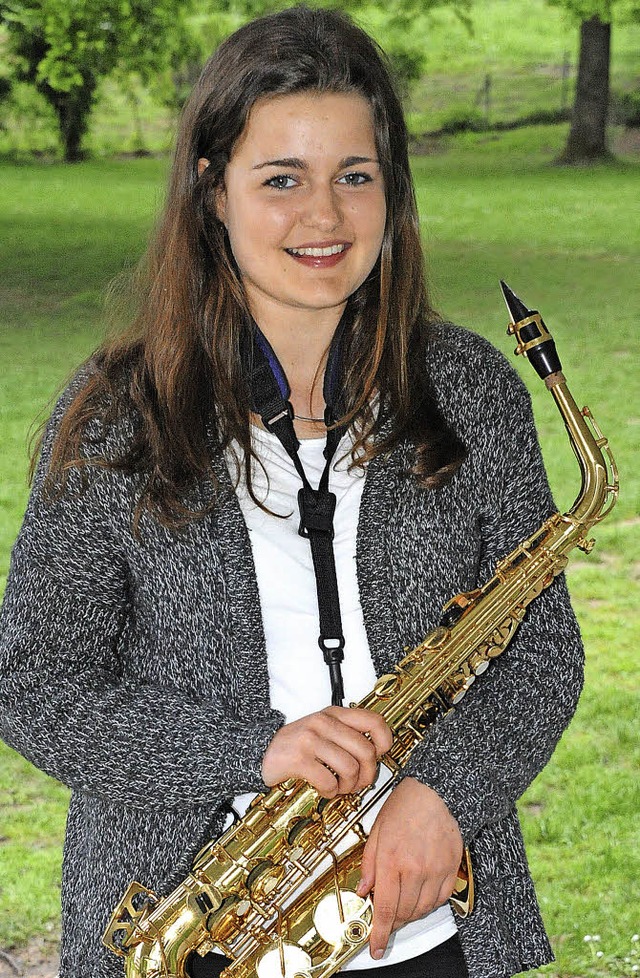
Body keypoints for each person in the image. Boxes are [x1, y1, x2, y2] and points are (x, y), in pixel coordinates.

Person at [0, 7, 584, 978]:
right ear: (211, 191)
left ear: (391, 192)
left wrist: (441, 795)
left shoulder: (471, 387)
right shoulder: (116, 413)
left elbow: (542, 648)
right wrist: (256, 750)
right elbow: (35, 682)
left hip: (420, 925)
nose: (325, 217)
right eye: (282, 180)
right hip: (197, 939)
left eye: (354, 177)